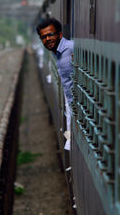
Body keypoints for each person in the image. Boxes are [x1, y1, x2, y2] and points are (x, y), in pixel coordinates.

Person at [36, 18, 74, 150]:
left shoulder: (71, 49)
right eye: (43, 37)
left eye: (50, 34)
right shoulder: (58, 54)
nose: (47, 39)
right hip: (71, 107)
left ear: (60, 34)